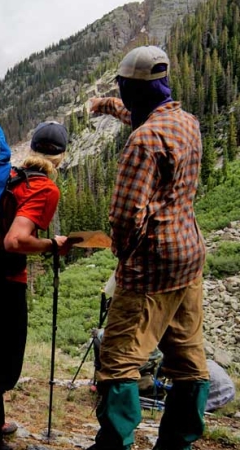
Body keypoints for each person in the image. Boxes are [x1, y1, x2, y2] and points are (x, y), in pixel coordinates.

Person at [88, 45, 209, 450]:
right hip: (189, 258)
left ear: (132, 89)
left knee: (119, 358)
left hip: (152, 266)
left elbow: (124, 216)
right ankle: (179, 441)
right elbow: (137, 113)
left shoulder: (143, 141)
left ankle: (114, 443)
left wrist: (125, 255)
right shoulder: (184, 122)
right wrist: (103, 105)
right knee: (188, 357)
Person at [0, 121, 71, 450]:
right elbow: (16, 241)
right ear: (62, 156)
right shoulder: (44, 189)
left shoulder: (10, 177)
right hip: (6, 281)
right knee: (3, 365)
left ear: (32, 148)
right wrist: (53, 245)